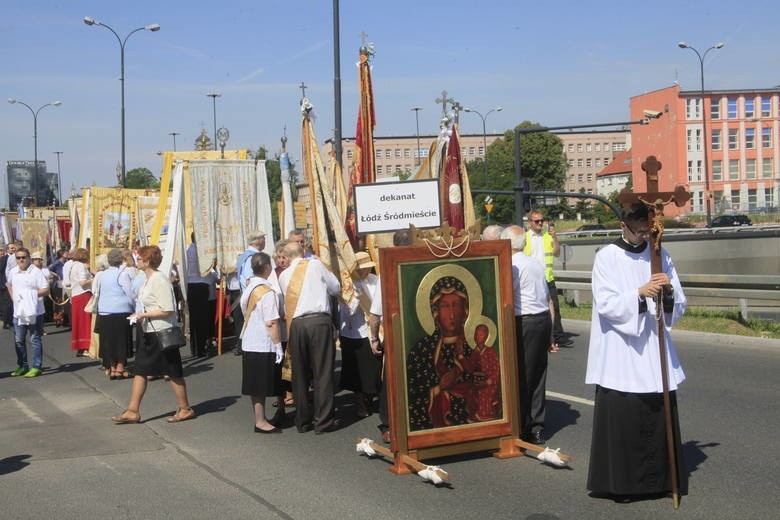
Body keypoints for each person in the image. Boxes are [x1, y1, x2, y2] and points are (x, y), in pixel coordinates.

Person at [585, 203, 687, 501]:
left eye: (647, 230)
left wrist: (668, 291)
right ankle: (625, 485)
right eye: (638, 230)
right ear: (623, 226)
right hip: (622, 351)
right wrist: (638, 295)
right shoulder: (606, 257)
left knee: (658, 412)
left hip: (653, 350)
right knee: (626, 417)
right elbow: (605, 303)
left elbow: (678, 298)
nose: (643, 236)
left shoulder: (659, 254)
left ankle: (662, 482)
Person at [111, 245, 196, 425]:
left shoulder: (159, 279)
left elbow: (167, 309)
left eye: (140, 259)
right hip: (148, 330)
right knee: (141, 370)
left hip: (161, 331)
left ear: (148, 261)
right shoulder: (146, 279)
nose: (137, 262)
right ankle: (132, 410)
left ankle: (185, 408)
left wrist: (143, 314)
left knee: (173, 371)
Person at [278, 240, 340, 434]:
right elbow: (335, 287)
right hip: (319, 321)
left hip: (296, 325)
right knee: (322, 372)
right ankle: (323, 421)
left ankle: (303, 420)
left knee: (300, 373)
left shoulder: (284, 275)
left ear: (286, 257)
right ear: (303, 251)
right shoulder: (315, 264)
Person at [406, 276, 479, 431]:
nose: (452, 314)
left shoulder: (473, 348)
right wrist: (439, 388)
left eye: (457, 305)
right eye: (445, 306)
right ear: (435, 312)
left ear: (465, 311)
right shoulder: (421, 351)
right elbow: (413, 395)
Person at [503, 225, 553, 445]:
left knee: (522, 375)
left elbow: (507, 296)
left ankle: (524, 426)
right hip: (541, 319)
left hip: (525, 320)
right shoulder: (534, 262)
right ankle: (536, 424)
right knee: (538, 374)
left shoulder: (512, 265)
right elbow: (546, 297)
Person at [369, 228, 411, 442]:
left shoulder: (386, 269)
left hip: (399, 334)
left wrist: (374, 338)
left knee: (392, 381)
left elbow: (375, 314)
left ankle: (389, 425)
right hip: (408, 333)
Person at [240, 252, 284, 433]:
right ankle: (260, 421)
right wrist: (278, 345)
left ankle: (261, 418)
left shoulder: (249, 287)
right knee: (259, 385)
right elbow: (272, 321)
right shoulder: (266, 291)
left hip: (250, 340)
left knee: (255, 385)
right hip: (262, 342)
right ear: (267, 267)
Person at [339, 251, 382, 419]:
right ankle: (359, 401)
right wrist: (355, 295)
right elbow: (347, 311)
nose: (364, 272)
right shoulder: (347, 285)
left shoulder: (375, 280)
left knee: (373, 367)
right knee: (356, 370)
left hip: (373, 331)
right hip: (353, 332)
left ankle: (371, 395)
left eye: (366, 268)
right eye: (361, 269)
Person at [524, 210, 570, 348]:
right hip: (531, 279)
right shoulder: (525, 237)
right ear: (530, 222)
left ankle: (558, 336)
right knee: (534, 308)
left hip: (547, 277)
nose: (540, 223)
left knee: (554, 307)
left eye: (542, 221)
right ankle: (540, 336)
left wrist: (554, 237)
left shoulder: (547, 236)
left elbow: (556, 253)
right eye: (537, 221)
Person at [7, 247, 50, 377]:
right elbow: (9, 284)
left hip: (34, 311)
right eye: (18, 258)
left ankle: (37, 366)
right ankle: (23, 365)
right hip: (19, 311)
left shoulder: (35, 272)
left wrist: (29, 295)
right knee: (19, 340)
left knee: (34, 339)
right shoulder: (13, 271)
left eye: (23, 257)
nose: (21, 260)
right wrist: (14, 297)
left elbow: (46, 290)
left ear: (29, 258)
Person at [95, 249, 134, 380]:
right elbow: (129, 293)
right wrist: (134, 307)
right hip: (120, 310)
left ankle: (111, 367)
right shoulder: (122, 274)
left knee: (109, 341)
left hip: (105, 311)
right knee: (121, 340)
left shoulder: (102, 275)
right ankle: (120, 367)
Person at [186, 234, 215, 357]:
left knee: (194, 319)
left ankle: (194, 347)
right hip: (201, 285)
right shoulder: (201, 252)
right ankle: (201, 347)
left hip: (191, 285)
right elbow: (206, 270)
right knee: (202, 318)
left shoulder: (188, 250)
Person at [69, 248, 93, 356]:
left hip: (75, 295)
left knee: (78, 321)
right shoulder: (81, 266)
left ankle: (80, 346)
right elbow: (83, 282)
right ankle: (85, 347)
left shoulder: (73, 266)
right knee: (85, 321)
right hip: (83, 294)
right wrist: (94, 279)